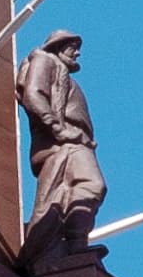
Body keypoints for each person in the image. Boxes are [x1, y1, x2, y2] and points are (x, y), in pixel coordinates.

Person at [17, 30, 107, 257]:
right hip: (66, 143)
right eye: (72, 47)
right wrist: (58, 129)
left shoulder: (62, 72)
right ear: (57, 47)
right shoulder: (45, 60)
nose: (77, 53)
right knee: (92, 185)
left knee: (84, 189)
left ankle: (75, 244)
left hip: (76, 142)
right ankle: (74, 244)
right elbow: (33, 95)